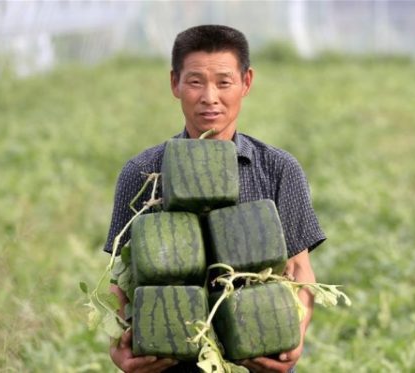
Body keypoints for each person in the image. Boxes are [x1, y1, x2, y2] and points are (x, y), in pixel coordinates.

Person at [104, 25, 326, 373]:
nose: (210, 96)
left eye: (223, 82)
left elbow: (300, 270)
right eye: (195, 82)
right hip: (168, 362)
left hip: (259, 359)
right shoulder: (141, 172)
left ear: (246, 82)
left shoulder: (279, 169)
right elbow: (122, 280)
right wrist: (120, 346)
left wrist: (295, 339)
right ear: (175, 83)